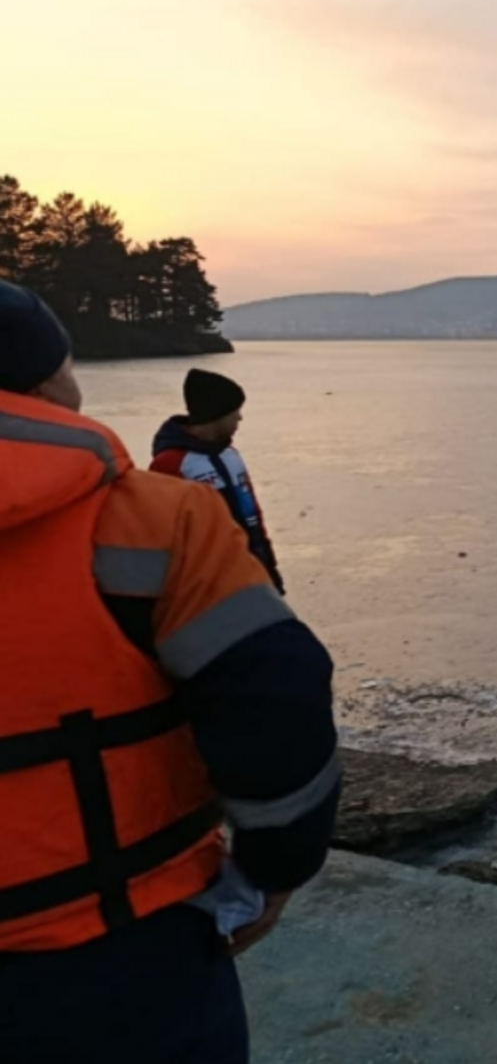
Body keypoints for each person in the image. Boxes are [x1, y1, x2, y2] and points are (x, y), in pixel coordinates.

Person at [0, 280, 340, 1063]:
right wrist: (274, 871)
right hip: (127, 950)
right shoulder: (153, 515)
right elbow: (277, 700)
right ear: (47, 382)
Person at [151, 369, 284, 593]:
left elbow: (252, 513)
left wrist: (270, 569)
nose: (239, 418)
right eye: (235, 411)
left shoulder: (231, 456)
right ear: (217, 414)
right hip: (208, 583)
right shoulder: (171, 463)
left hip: (252, 572)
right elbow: (162, 532)